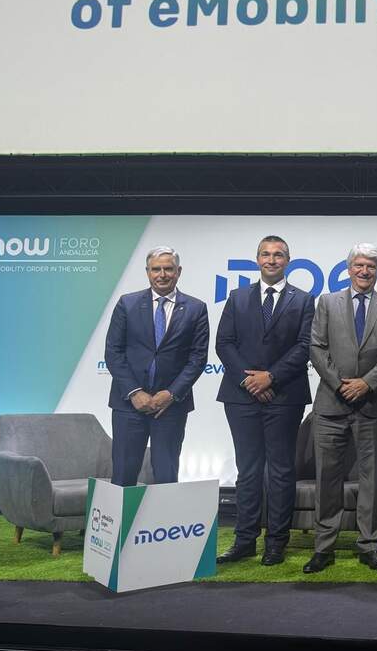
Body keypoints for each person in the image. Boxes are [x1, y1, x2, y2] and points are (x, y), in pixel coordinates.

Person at [305, 243, 377, 573]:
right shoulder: (327, 302)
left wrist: (366, 383)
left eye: (371, 267)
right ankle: (324, 547)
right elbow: (317, 347)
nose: (364, 271)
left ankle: (369, 546)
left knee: (373, 481)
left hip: (373, 404)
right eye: (359, 265)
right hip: (331, 404)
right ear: (349, 269)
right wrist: (340, 384)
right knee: (327, 478)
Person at [215, 235, 315, 567]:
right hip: (240, 396)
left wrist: (270, 377)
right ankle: (244, 540)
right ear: (257, 259)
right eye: (266, 254)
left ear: (288, 260)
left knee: (281, 471)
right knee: (247, 471)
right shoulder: (237, 297)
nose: (272, 260)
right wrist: (250, 381)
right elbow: (224, 343)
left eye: (278, 255)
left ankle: (276, 542)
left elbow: (305, 346)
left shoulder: (304, 300)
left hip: (284, 396)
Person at [105, 246, 209, 486]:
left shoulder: (196, 308)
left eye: (168, 269)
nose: (162, 275)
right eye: (156, 269)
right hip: (128, 405)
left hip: (170, 407)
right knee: (123, 475)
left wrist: (171, 394)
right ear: (147, 272)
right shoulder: (127, 304)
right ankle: (123, 515)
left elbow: (197, 358)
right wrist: (134, 393)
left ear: (178, 271)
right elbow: (113, 352)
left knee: (166, 475)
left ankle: (164, 515)